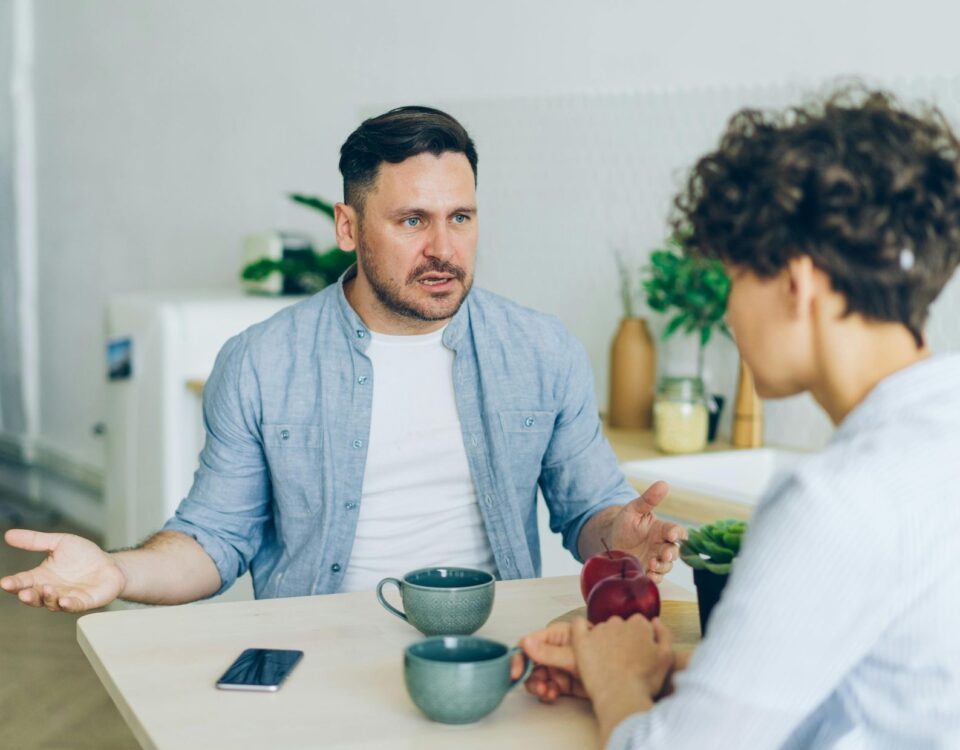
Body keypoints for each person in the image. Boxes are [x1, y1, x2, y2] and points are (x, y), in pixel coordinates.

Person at [1, 106, 683, 613]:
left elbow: (589, 511)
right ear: (348, 227)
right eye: (412, 221)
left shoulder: (541, 351)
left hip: (489, 649)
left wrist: (619, 533)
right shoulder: (262, 363)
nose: (443, 249)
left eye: (461, 217)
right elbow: (214, 539)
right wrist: (119, 570)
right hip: (317, 648)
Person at [515, 88, 960, 748]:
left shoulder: (837, 501)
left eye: (732, 278)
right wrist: (661, 675)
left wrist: (618, 681)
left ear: (796, 284)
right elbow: (871, 685)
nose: (726, 313)